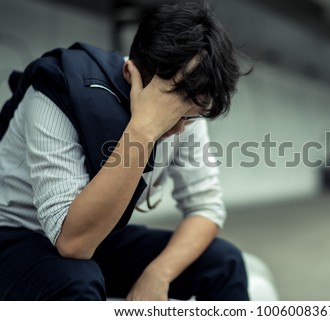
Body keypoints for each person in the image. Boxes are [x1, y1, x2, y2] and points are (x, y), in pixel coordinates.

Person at [0, 2, 249, 300]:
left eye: (190, 116)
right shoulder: (56, 92)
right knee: (76, 280)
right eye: (174, 113)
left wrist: (159, 272)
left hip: (99, 237)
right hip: (16, 238)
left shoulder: (186, 106)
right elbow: (73, 243)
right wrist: (143, 131)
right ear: (132, 74)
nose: (180, 128)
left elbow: (206, 207)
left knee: (224, 261)